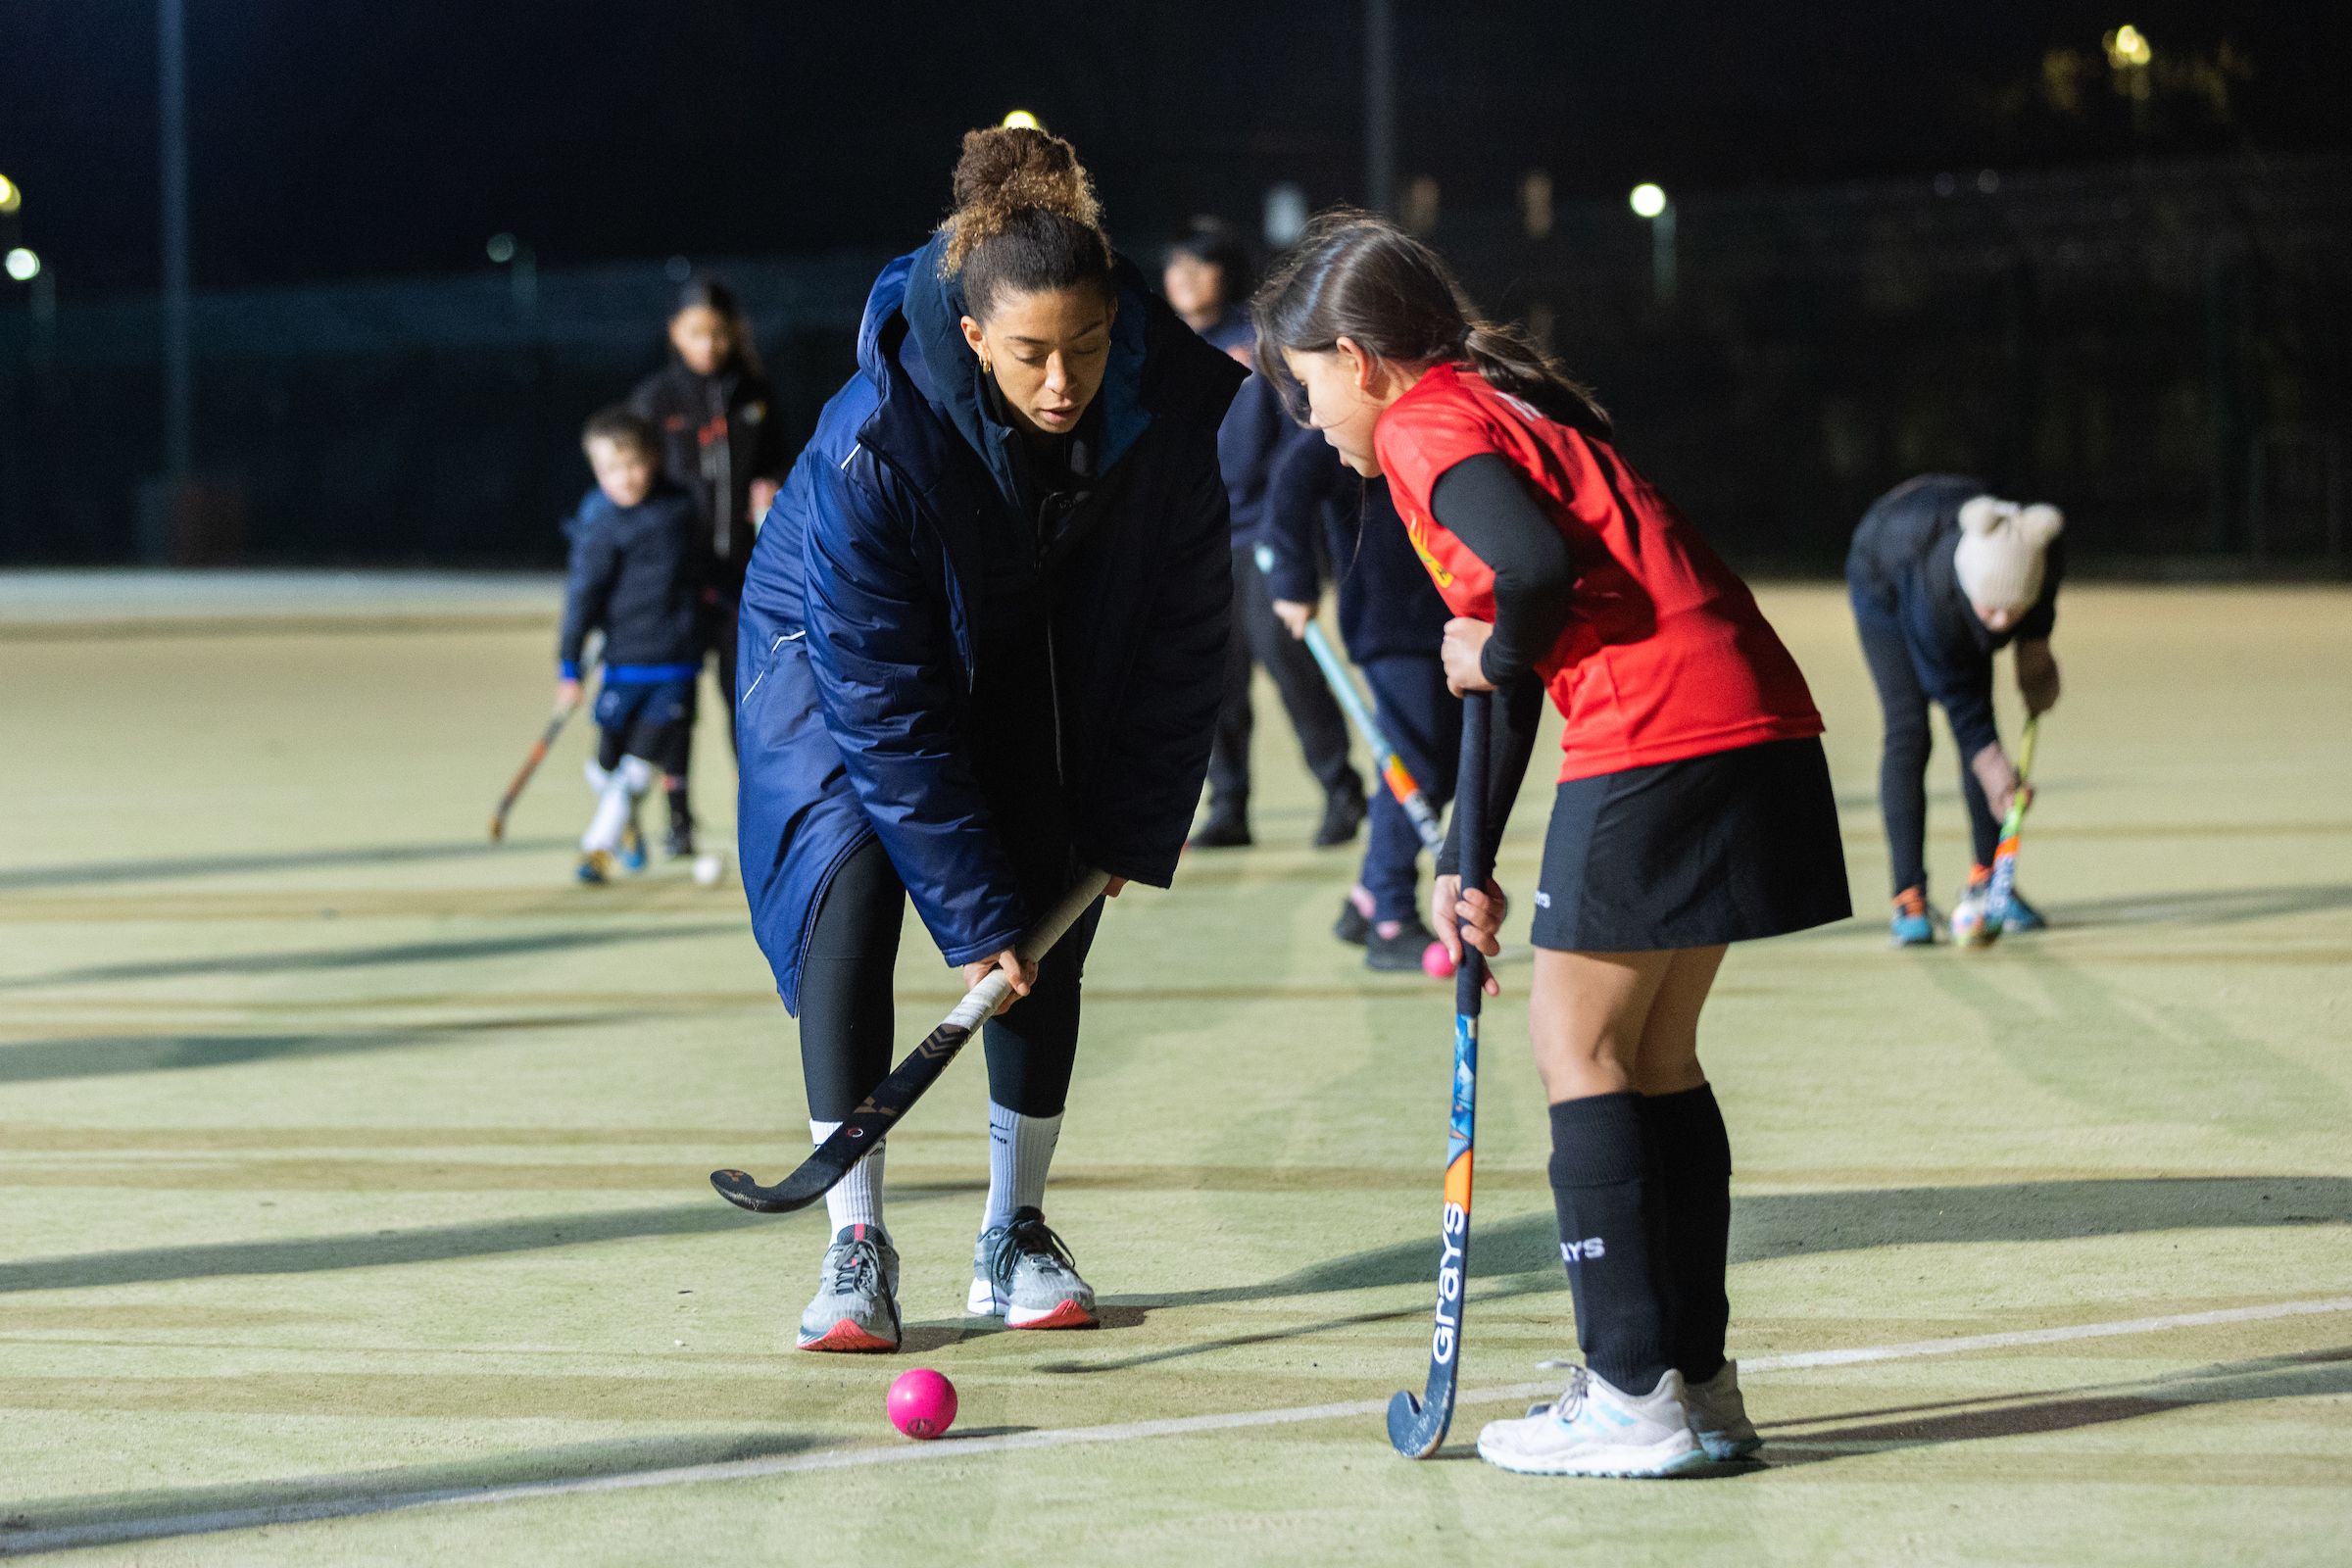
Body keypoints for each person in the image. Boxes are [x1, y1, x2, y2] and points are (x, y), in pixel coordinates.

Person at [1253, 212, 1849, 1477]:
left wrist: (1497, 647)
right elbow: (1511, 660)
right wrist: (1470, 856)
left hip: (1660, 730)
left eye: (1306, 392)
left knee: (1574, 1044)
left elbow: (1521, 586)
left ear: (1358, 360)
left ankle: (1628, 1395)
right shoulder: (1488, 408)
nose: (1311, 424)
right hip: (1748, 715)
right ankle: (1692, 1382)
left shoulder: (1422, 426)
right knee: (1653, 1054)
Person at [737, 127, 1244, 1352]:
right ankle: (854, 1239)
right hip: (832, 653)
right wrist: (968, 919)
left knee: (1051, 898)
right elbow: (890, 712)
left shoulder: (1166, 419)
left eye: (1087, 346)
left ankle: (1012, 1232)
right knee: (853, 880)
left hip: (1035, 634)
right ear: (973, 338)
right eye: (1031, 355)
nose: (1064, 380)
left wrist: (1125, 827)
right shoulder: (876, 446)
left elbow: (1182, 639)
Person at [1165, 219, 1366, 850]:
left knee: (1288, 660)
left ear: (1225, 272)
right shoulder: (1165, 351)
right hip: (1201, 540)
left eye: (1198, 266)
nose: (1184, 279)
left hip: (1260, 531)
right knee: (1212, 677)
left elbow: (1297, 435)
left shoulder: (1261, 342)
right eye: (1175, 267)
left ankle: (1341, 792)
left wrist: (1285, 511)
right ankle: (1230, 806)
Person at [1260, 451, 1459, 969]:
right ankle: (1391, 917)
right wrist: (1293, 583)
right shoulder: (1351, 412)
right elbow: (1290, 487)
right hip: (1389, 622)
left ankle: (1367, 898)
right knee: (1414, 769)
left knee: (1440, 769)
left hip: (1447, 616)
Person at [1846, 476, 2065, 945]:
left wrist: (2036, 661)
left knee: (1981, 725)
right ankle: (1908, 898)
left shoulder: (2038, 551)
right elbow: (1964, 710)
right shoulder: (1939, 599)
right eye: (1992, 611)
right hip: (1882, 573)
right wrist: (1995, 771)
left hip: (1942, 539)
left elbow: (2037, 614)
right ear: (1972, 591)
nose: (2002, 623)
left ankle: (1988, 879)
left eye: (2014, 610)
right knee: (1910, 730)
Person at [627, 276, 793, 857]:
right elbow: (634, 492)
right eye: (697, 333)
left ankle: (756, 814)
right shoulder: (654, 402)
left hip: (743, 578)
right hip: (677, 583)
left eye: (719, 333)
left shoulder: (755, 392)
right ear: (676, 332)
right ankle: (677, 820)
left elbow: (777, 466)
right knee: (676, 702)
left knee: (743, 696)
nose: (709, 344)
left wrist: (770, 489)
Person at [555, 407, 703, 886]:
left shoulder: (681, 509)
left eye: (633, 464)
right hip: (622, 664)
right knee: (604, 769)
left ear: (654, 459)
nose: (624, 478)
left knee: (638, 771)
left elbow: (707, 570)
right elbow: (583, 596)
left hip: (675, 663)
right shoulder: (600, 521)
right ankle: (630, 827)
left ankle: (596, 850)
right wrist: (569, 665)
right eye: (610, 469)